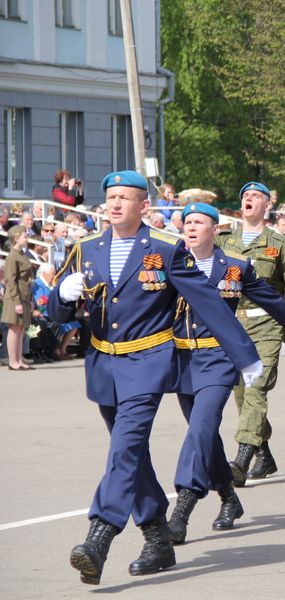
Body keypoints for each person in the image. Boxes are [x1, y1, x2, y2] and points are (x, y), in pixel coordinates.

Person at [49, 170, 262, 585]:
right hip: (102, 365)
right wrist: (60, 295)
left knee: (125, 449)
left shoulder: (167, 248)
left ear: (144, 205)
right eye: (110, 196)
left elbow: (208, 301)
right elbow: (60, 317)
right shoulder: (86, 248)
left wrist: (244, 355)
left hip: (148, 362)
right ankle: (156, 536)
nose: (114, 204)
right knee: (131, 455)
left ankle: (100, 536)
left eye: (125, 198)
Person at [166, 203, 285, 545]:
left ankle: (182, 510)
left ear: (215, 230)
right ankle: (229, 498)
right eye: (187, 221)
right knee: (204, 434)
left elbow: (274, 302)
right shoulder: (171, 261)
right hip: (181, 359)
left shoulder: (235, 267)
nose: (191, 227)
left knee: (200, 429)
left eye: (199, 222)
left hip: (219, 358)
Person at [217, 181, 285, 485]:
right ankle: (264, 452)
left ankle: (243, 454)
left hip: (267, 324)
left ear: (267, 206)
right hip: (232, 323)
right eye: (245, 195)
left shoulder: (279, 243)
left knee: (257, 387)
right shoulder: (223, 239)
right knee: (240, 391)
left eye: (255, 196)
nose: (248, 199)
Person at [2, 225, 35, 370]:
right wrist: (16, 301)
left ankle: (19, 359)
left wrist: (30, 299)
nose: (26, 237)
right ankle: (12, 361)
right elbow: (10, 279)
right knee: (14, 329)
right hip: (16, 296)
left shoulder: (21, 254)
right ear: (16, 238)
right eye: (24, 235)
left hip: (24, 295)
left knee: (21, 328)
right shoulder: (12, 256)